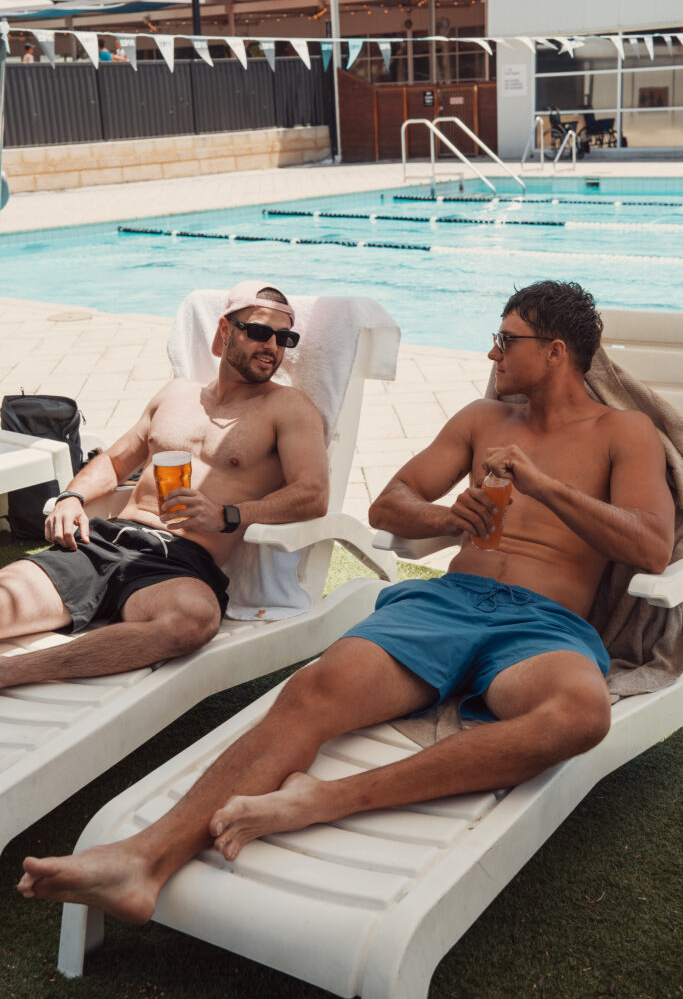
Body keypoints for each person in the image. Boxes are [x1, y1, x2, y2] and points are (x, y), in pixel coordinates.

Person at [18, 280, 674, 924]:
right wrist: (447, 520)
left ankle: (324, 799)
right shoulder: (482, 420)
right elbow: (390, 504)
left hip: (542, 621)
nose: (491, 355)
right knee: (312, 693)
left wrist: (544, 487)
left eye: (505, 340)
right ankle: (141, 859)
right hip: (446, 601)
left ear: (555, 350)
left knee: (577, 716)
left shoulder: (623, 432)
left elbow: (649, 545)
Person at [0, 282, 327, 691]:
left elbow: (313, 494)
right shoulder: (176, 395)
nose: (273, 347)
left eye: (285, 338)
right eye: (260, 332)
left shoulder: (289, 408)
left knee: (191, 621)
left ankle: (12, 672)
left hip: (178, 563)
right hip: (101, 541)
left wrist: (228, 515)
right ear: (225, 331)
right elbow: (116, 461)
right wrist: (72, 495)